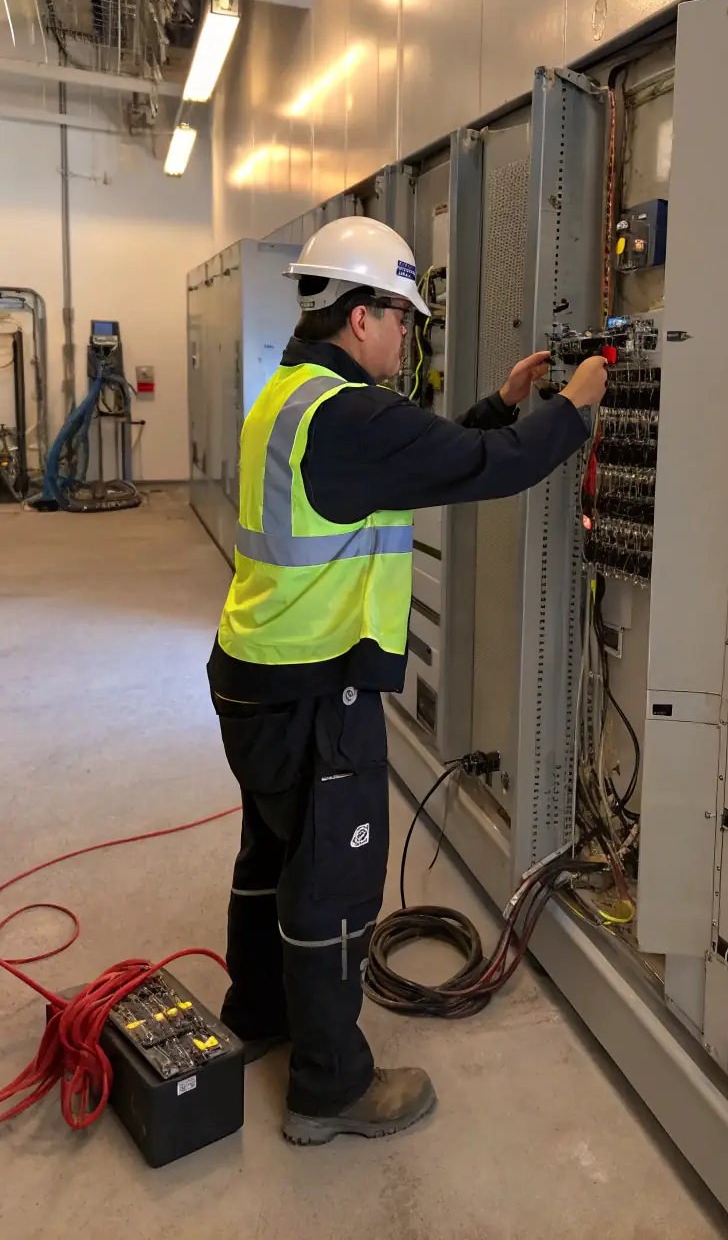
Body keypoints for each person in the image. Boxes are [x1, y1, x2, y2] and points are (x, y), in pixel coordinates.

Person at [208, 215, 608, 1147]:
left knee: (271, 858)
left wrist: (504, 404)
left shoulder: (299, 395)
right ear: (362, 316)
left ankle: (258, 1012)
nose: (408, 336)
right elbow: (486, 470)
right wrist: (572, 412)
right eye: (404, 318)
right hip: (314, 688)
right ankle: (330, 1088)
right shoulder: (347, 414)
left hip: (257, 675)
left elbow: (414, 459)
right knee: (332, 885)